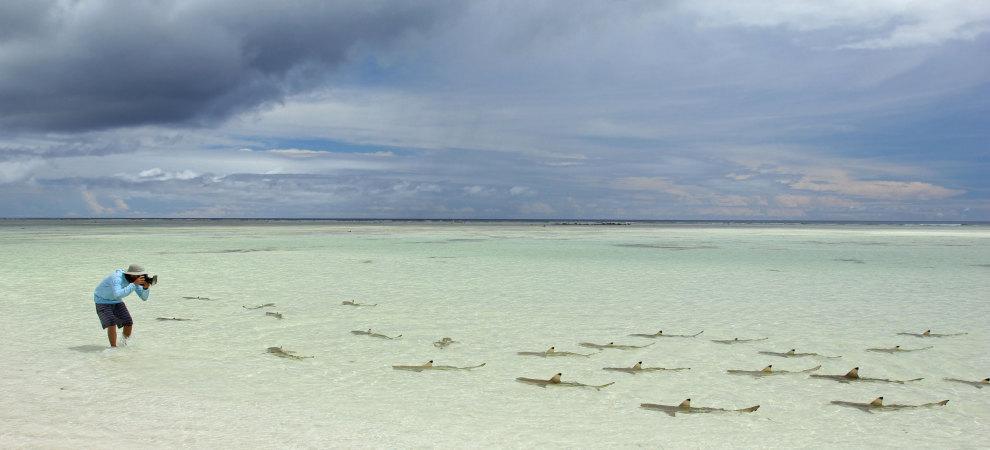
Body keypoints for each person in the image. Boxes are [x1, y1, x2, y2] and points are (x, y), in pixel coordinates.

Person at [93, 264, 151, 347]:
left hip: (116, 301)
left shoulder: (134, 281)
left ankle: (123, 344)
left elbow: (144, 297)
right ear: (131, 274)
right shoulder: (117, 278)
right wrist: (134, 284)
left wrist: (145, 288)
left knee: (128, 322)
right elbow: (117, 294)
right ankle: (113, 347)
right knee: (111, 323)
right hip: (102, 300)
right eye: (140, 276)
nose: (141, 277)